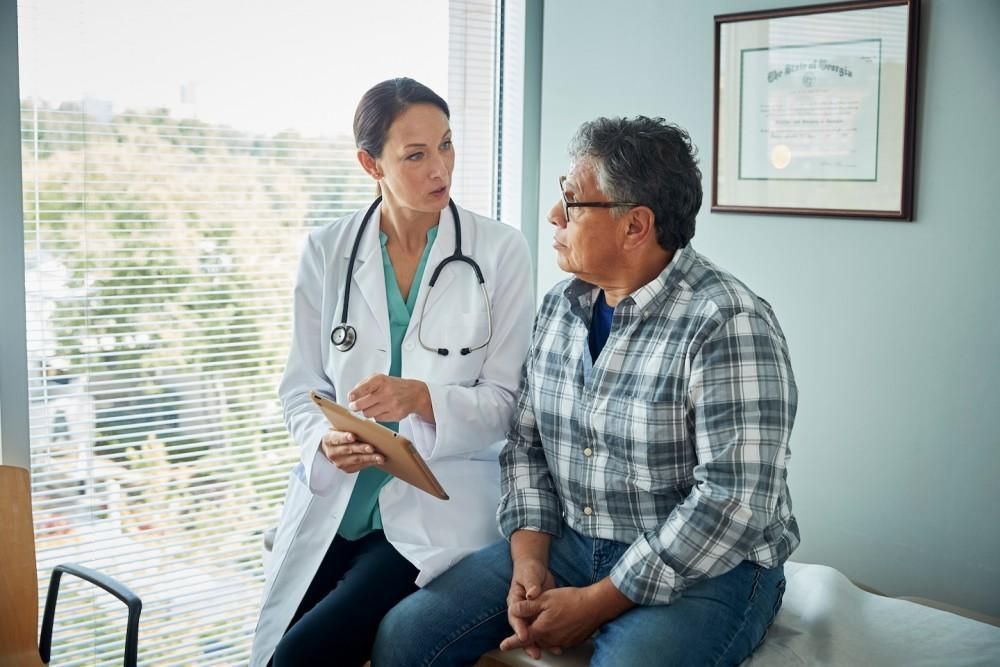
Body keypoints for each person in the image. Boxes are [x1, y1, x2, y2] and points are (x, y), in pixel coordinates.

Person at [373, 116, 799, 666]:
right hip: (575, 540)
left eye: (572, 202)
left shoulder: (728, 323)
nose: (554, 215)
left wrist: (598, 602)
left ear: (634, 226)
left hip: (712, 565)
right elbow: (526, 447)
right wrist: (528, 561)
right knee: (404, 635)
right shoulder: (559, 307)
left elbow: (732, 503)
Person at [249, 78, 534, 667]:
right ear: (368, 163)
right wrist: (323, 440)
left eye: (447, 145)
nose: (441, 169)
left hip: (436, 507)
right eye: (415, 154)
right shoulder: (327, 250)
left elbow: (508, 402)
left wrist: (424, 399)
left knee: (300, 657)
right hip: (338, 500)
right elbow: (302, 387)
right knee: (277, 648)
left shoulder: (501, 251)